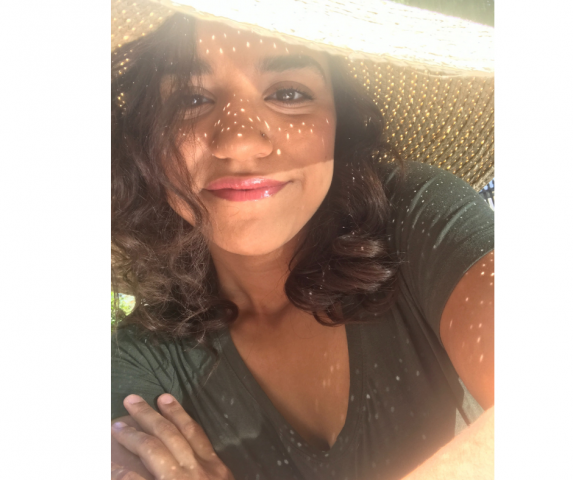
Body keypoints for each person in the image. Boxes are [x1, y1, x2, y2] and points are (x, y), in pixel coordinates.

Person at [110, 1, 494, 479]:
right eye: (191, 99)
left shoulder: (418, 216)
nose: (239, 142)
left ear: (340, 121)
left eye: (288, 93)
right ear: (144, 139)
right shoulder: (141, 363)